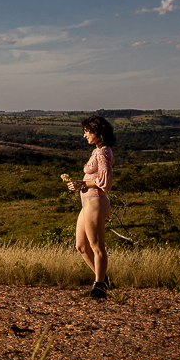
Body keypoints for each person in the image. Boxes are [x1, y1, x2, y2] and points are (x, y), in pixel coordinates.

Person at [67, 115, 115, 299]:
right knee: (81, 246)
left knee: (96, 247)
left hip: (96, 201)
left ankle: (99, 286)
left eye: (87, 131)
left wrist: (82, 183)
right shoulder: (97, 151)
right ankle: (104, 281)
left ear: (97, 132)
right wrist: (80, 184)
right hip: (88, 203)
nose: (85, 135)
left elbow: (106, 183)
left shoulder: (102, 152)